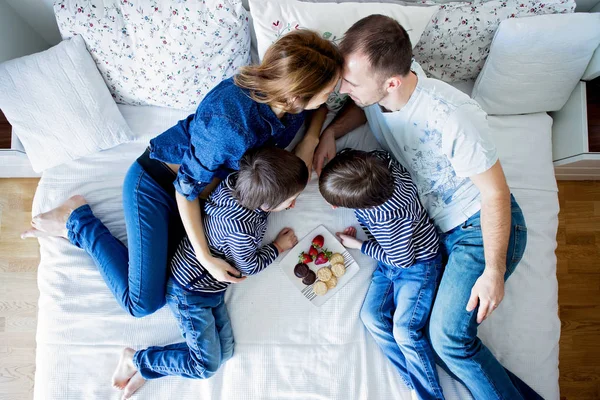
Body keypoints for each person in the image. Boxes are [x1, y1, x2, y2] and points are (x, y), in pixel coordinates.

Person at [22, 29, 342, 318]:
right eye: (327, 92)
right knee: (143, 303)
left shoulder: (286, 98)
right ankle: (77, 220)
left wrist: (315, 136)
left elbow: (319, 110)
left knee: (171, 275)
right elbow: (185, 190)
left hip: (210, 194)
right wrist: (205, 258)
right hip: (162, 185)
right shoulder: (229, 128)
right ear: (295, 96)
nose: (330, 97)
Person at [313, 15, 541, 400]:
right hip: (434, 234)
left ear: (391, 83)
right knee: (432, 340)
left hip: (475, 227)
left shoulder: (453, 118)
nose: (341, 87)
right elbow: (364, 106)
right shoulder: (381, 90)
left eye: (350, 83)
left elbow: (496, 195)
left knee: (449, 340)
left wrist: (493, 271)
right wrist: (332, 133)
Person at [111, 147, 308, 399]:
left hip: (210, 289)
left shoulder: (235, 181)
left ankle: (149, 366)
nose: (294, 204)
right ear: (267, 204)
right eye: (290, 200)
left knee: (225, 352)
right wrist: (277, 247)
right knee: (205, 367)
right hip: (189, 292)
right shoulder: (242, 230)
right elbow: (249, 266)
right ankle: (136, 360)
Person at [319, 149, 444, 400]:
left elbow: (402, 259)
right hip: (393, 256)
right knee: (371, 316)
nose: (335, 206)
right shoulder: (379, 162)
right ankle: (415, 381)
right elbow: (351, 158)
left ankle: (428, 395)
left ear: (362, 205)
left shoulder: (388, 217)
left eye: (339, 204)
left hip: (416, 265)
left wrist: (359, 246)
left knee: (404, 331)